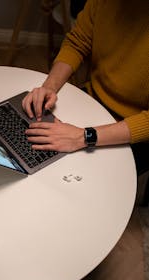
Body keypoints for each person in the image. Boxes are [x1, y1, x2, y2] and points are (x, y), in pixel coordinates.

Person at [22, 0, 149, 174]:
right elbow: (77, 43)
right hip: (92, 98)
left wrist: (83, 137)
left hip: (135, 131)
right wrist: (49, 87)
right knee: (35, 155)